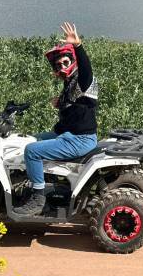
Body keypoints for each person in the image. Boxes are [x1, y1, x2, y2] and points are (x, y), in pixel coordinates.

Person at [14, 22, 99, 215]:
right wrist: (60, 102)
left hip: (80, 140)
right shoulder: (70, 84)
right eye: (58, 64)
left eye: (65, 62)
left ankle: (38, 198)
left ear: (73, 61)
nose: (61, 66)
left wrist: (78, 45)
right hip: (68, 135)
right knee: (29, 140)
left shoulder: (83, 79)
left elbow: (87, 68)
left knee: (31, 151)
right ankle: (33, 183)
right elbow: (74, 107)